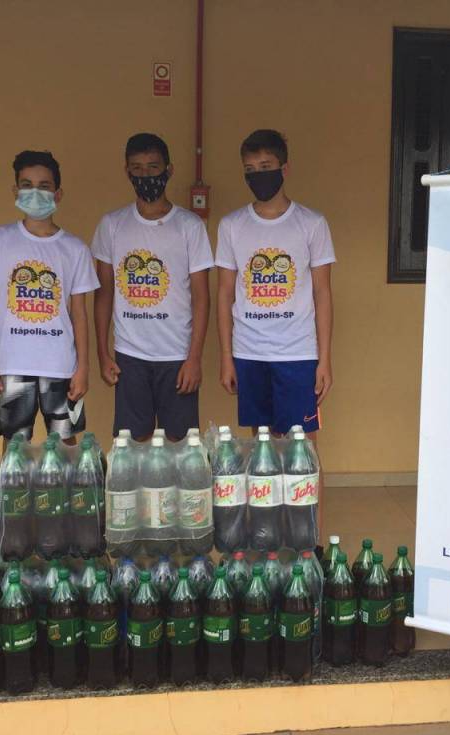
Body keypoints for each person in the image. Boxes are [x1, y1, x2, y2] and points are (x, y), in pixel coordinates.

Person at [215, 129, 335, 527]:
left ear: (285, 168)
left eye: (265, 166)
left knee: (303, 448)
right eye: (250, 169)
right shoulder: (232, 226)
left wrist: (324, 359)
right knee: (261, 447)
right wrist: (226, 357)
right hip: (249, 353)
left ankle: (309, 535)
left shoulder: (311, 224)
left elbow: (322, 292)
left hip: (298, 354)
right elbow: (225, 293)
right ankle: (267, 531)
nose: (258, 175)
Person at [0, 150, 99, 447]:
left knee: (67, 443)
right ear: (15, 191)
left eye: (44, 186)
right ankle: (14, 484)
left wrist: (83, 367)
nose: (35, 192)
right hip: (13, 363)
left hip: (61, 364)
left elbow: (79, 313)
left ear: (58, 193)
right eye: (27, 185)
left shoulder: (75, 249)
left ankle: (69, 483)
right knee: (15, 445)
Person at [92, 133, 213, 442]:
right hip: (130, 354)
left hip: (177, 354)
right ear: (127, 171)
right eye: (137, 168)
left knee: (182, 445)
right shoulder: (112, 224)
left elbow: (201, 297)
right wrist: (103, 353)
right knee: (132, 445)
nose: (145, 175)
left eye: (153, 167)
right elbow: (104, 293)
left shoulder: (190, 226)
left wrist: (194, 358)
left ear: (169, 170)